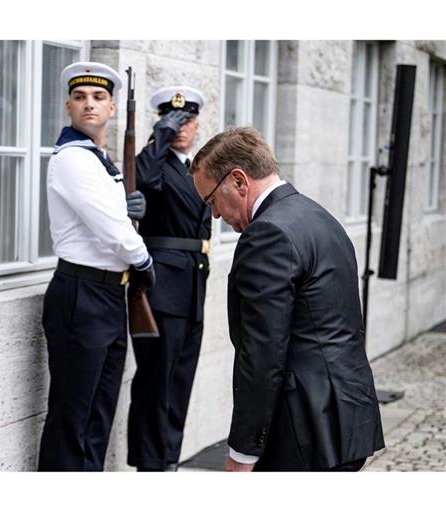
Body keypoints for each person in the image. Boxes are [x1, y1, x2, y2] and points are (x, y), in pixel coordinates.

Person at [189, 126, 384, 471]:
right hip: (348, 416)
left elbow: (262, 353)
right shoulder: (320, 217)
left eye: (211, 200)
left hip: (304, 430)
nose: (215, 214)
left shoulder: (268, 234)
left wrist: (243, 452)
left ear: (239, 181)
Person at [38, 61, 156, 471]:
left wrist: (127, 208)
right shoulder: (72, 158)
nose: (89, 104)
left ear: (111, 108)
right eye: (80, 97)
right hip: (81, 294)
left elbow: (112, 219)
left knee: (97, 417)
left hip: (109, 294)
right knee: (72, 419)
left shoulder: (98, 160)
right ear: (68, 107)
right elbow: (111, 230)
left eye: (99, 97)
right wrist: (142, 257)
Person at [127, 86, 211, 472]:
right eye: (172, 120)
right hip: (161, 289)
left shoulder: (198, 169)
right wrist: (159, 135)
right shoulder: (155, 163)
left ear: (197, 124)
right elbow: (140, 178)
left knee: (180, 379)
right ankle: (150, 463)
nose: (181, 127)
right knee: (155, 381)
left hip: (193, 286)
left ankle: (169, 459)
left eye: (187, 120)